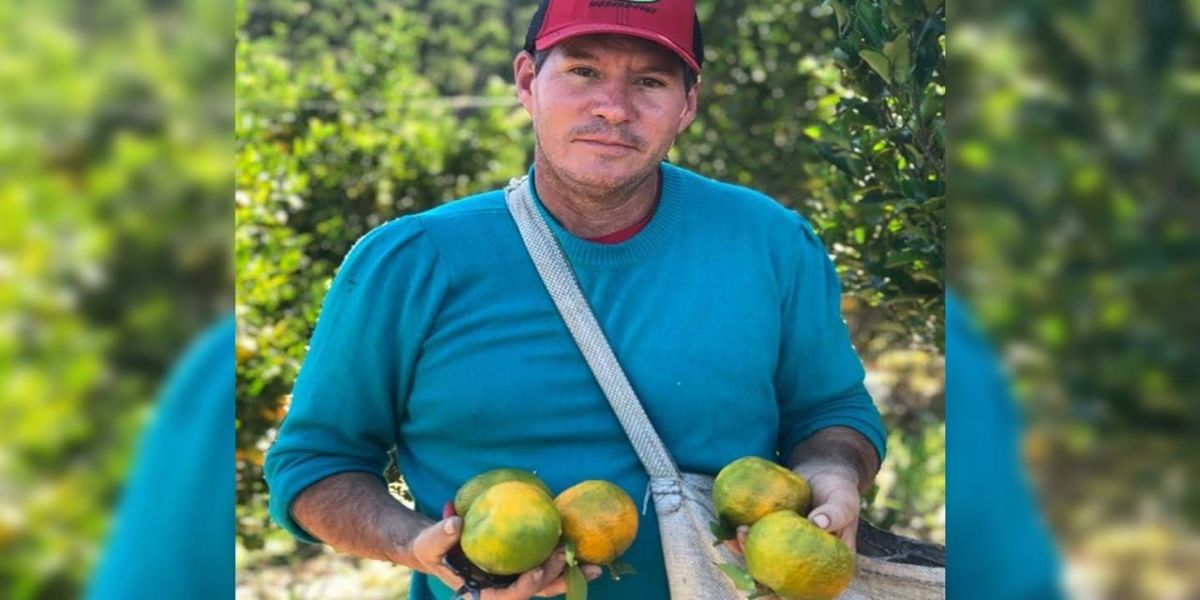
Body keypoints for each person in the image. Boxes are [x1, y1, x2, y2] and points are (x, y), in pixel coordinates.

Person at [264, 1, 886, 598]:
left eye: (650, 81)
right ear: (528, 80)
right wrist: (418, 543)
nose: (613, 108)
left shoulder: (769, 241)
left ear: (688, 104)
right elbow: (316, 463)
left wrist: (834, 469)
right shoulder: (411, 260)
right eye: (583, 71)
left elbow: (830, 409)